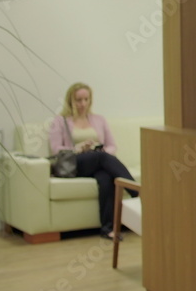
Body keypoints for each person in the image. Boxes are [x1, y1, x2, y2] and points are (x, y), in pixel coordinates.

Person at [49, 82, 137, 240]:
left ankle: (108, 229)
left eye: (86, 99)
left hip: (98, 162)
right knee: (102, 158)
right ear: (71, 101)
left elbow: (112, 146)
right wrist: (78, 148)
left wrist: (100, 150)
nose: (83, 104)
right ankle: (137, 192)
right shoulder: (60, 121)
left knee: (106, 178)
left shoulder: (99, 119)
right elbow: (55, 149)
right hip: (76, 163)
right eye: (78, 100)